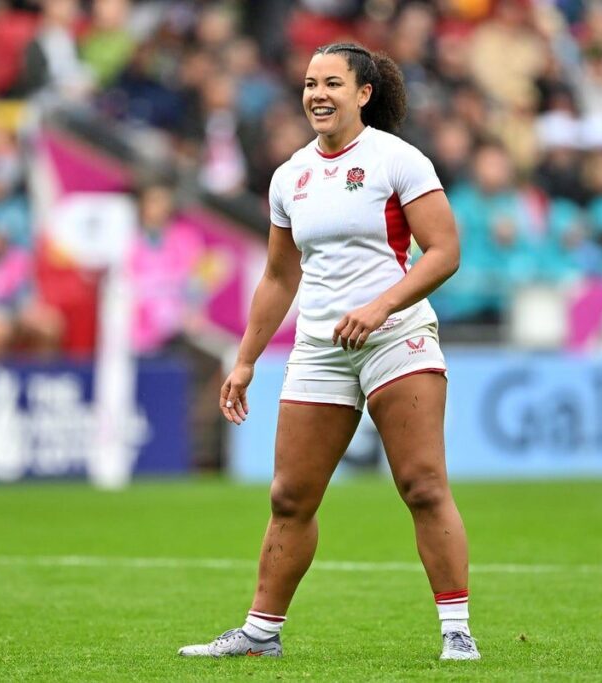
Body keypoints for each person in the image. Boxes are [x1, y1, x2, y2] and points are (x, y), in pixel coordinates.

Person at [178, 43, 478, 662]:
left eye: (332, 83)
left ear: (363, 93)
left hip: (395, 337)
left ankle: (456, 630)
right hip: (320, 347)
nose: (317, 94)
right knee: (289, 496)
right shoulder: (289, 176)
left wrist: (380, 307)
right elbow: (278, 277)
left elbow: (445, 251)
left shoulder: (398, 159)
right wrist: (245, 360)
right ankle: (261, 633)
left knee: (422, 484)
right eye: (310, 83)